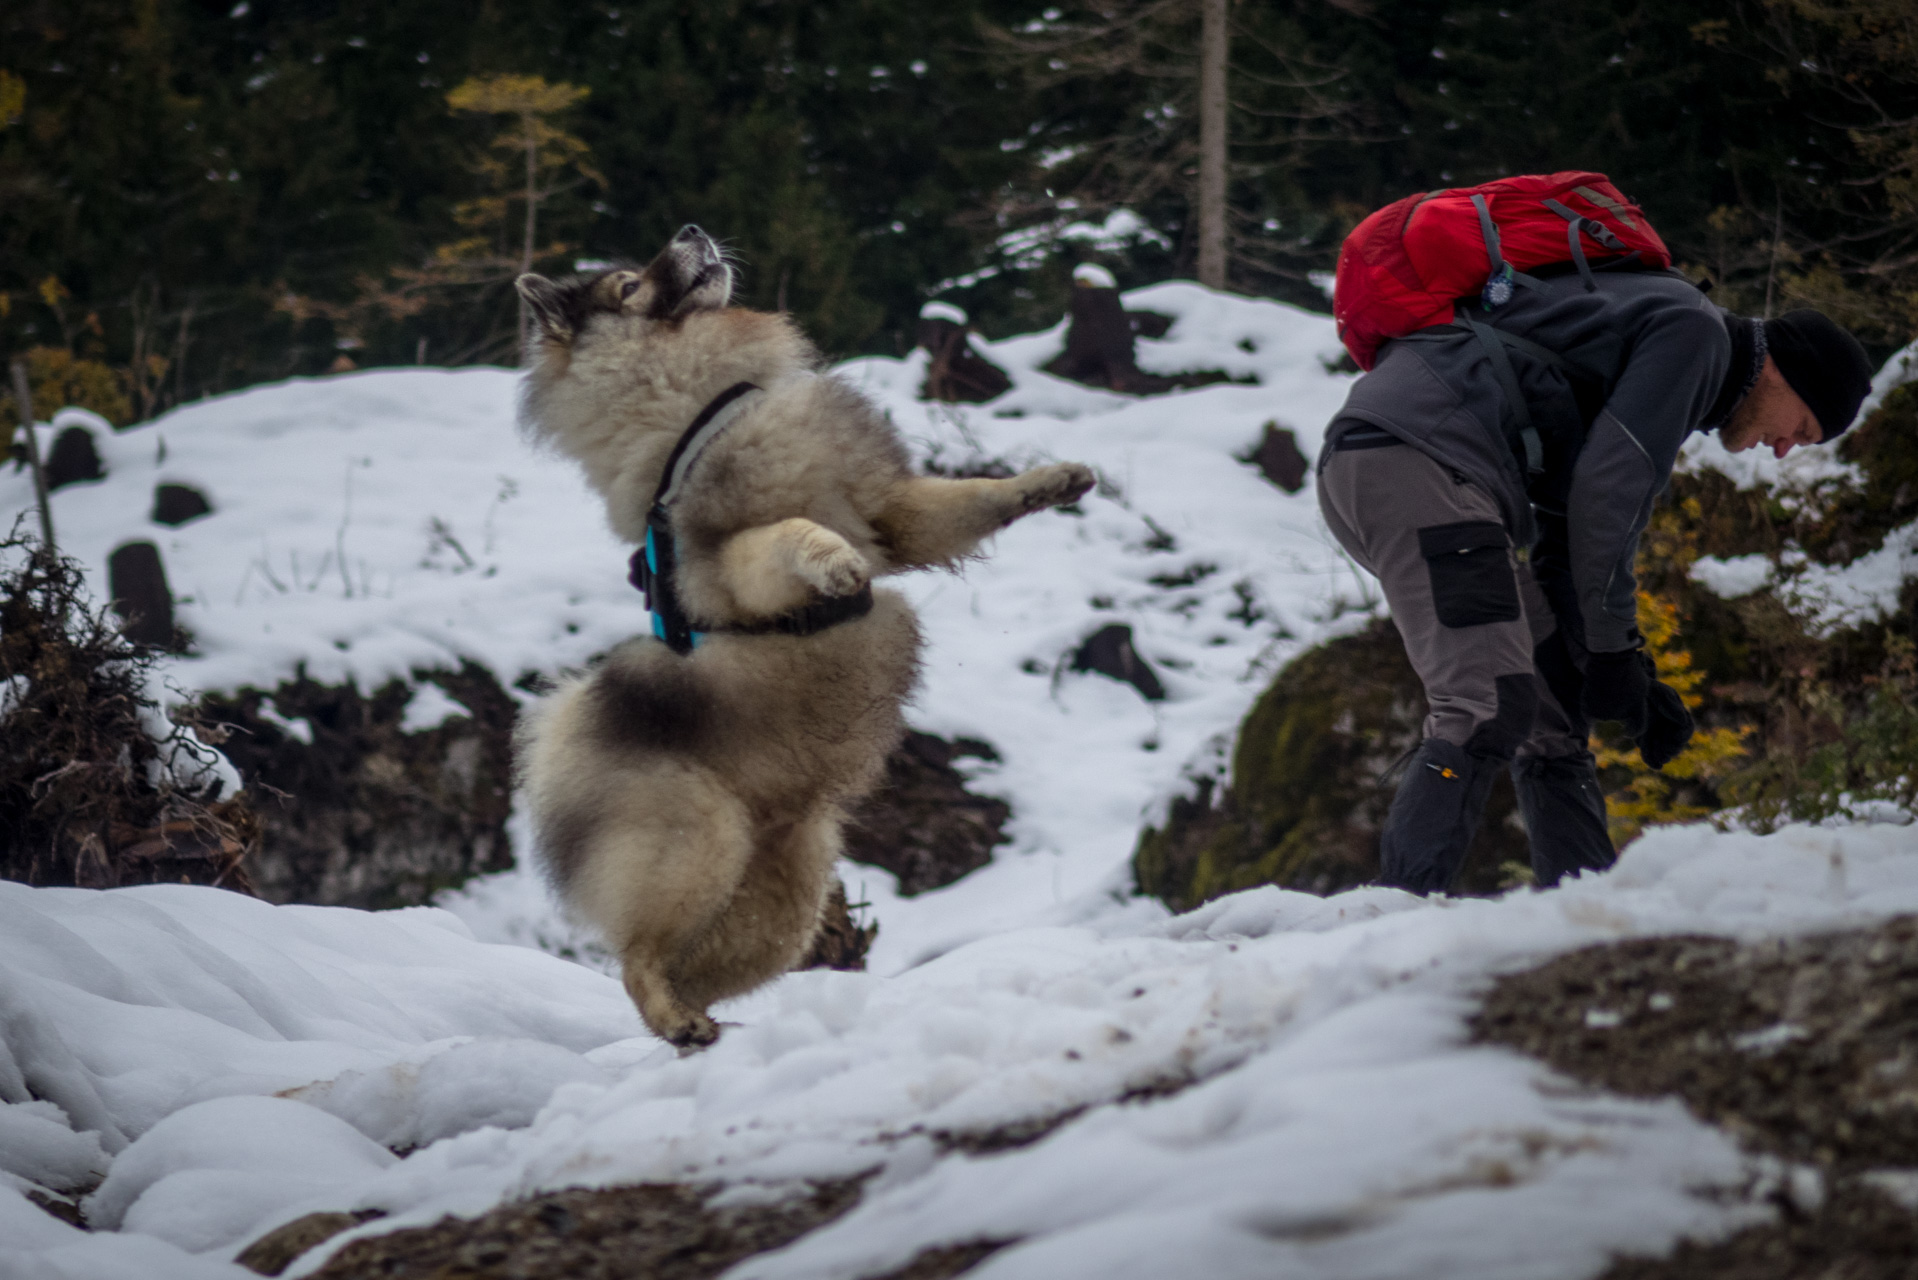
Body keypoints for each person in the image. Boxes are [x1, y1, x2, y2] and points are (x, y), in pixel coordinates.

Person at [1316, 266, 1874, 894]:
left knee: (1553, 711)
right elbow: (1607, 497)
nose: (1783, 448)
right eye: (1802, 428)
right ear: (1786, 374)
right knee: (1485, 703)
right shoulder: (1697, 337)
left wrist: (1621, 668)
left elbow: (1565, 526)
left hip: (1398, 468)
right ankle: (1397, 915)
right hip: (1418, 463)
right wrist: (1616, 648)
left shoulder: (1674, 345)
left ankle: (1579, 910)